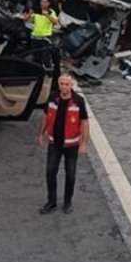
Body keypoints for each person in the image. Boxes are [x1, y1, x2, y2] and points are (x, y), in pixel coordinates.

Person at [39, 74, 90, 214]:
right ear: (58, 84)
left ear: (71, 85)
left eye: (66, 84)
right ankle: (51, 202)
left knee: (70, 174)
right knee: (50, 172)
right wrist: (41, 133)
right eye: (61, 83)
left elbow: (85, 122)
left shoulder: (78, 101)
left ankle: (67, 202)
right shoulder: (52, 98)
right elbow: (45, 115)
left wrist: (84, 143)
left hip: (71, 145)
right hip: (54, 143)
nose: (64, 86)